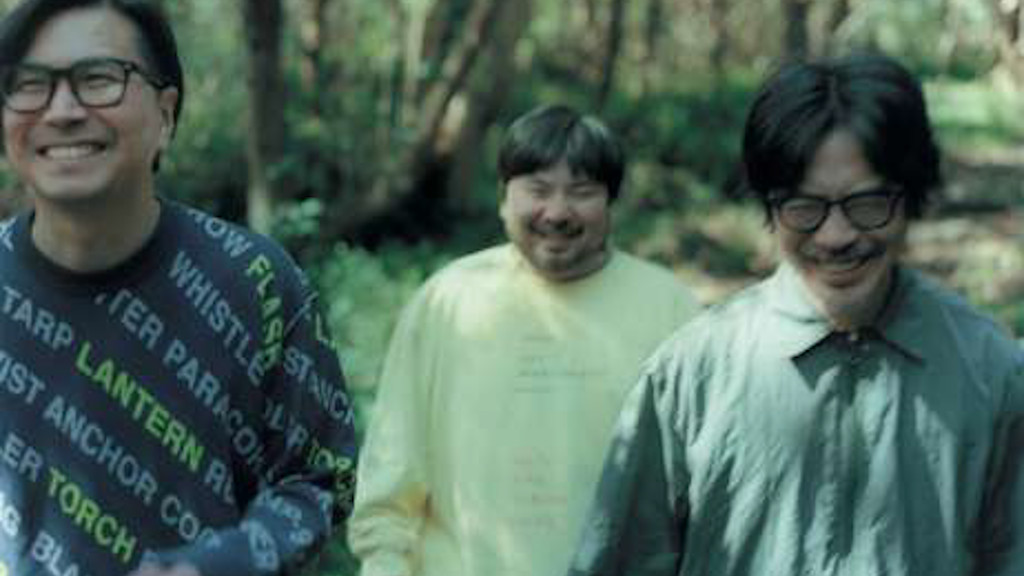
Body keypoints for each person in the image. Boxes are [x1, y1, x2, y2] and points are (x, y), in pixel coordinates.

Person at [567, 54, 1024, 576]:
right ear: (769, 206)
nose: (836, 236)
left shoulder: (992, 373)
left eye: (868, 203)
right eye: (804, 207)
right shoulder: (691, 375)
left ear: (913, 198)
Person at [0, 1, 357, 575]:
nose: (62, 110)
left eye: (99, 78)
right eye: (28, 84)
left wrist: (215, 565)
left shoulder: (256, 282)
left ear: (166, 114)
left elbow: (317, 479)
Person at [346, 103, 700, 576]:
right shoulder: (448, 301)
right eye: (537, 189)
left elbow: (701, 488)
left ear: (611, 203)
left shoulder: (671, 310)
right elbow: (393, 471)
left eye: (582, 192)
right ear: (503, 198)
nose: (557, 212)